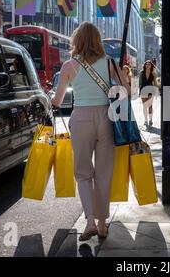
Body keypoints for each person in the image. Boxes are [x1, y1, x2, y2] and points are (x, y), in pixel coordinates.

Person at [51, 22, 130, 241]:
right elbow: (127, 92)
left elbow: (57, 101)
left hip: (81, 119)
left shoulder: (68, 66)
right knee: (104, 173)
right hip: (106, 118)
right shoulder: (110, 63)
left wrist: (51, 100)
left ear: (76, 41)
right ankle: (103, 225)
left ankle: (89, 222)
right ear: (98, 40)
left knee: (83, 173)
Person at [139, 60, 158, 127]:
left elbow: (155, 83)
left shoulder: (153, 73)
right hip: (143, 90)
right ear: (145, 65)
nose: (147, 65)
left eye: (149, 64)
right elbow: (140, 82)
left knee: (150, 106)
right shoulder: (141, 72)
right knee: (144, 106)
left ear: (151, 65)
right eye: (146, 64)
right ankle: (145, 120)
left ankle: (150, 119)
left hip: (151, 90)